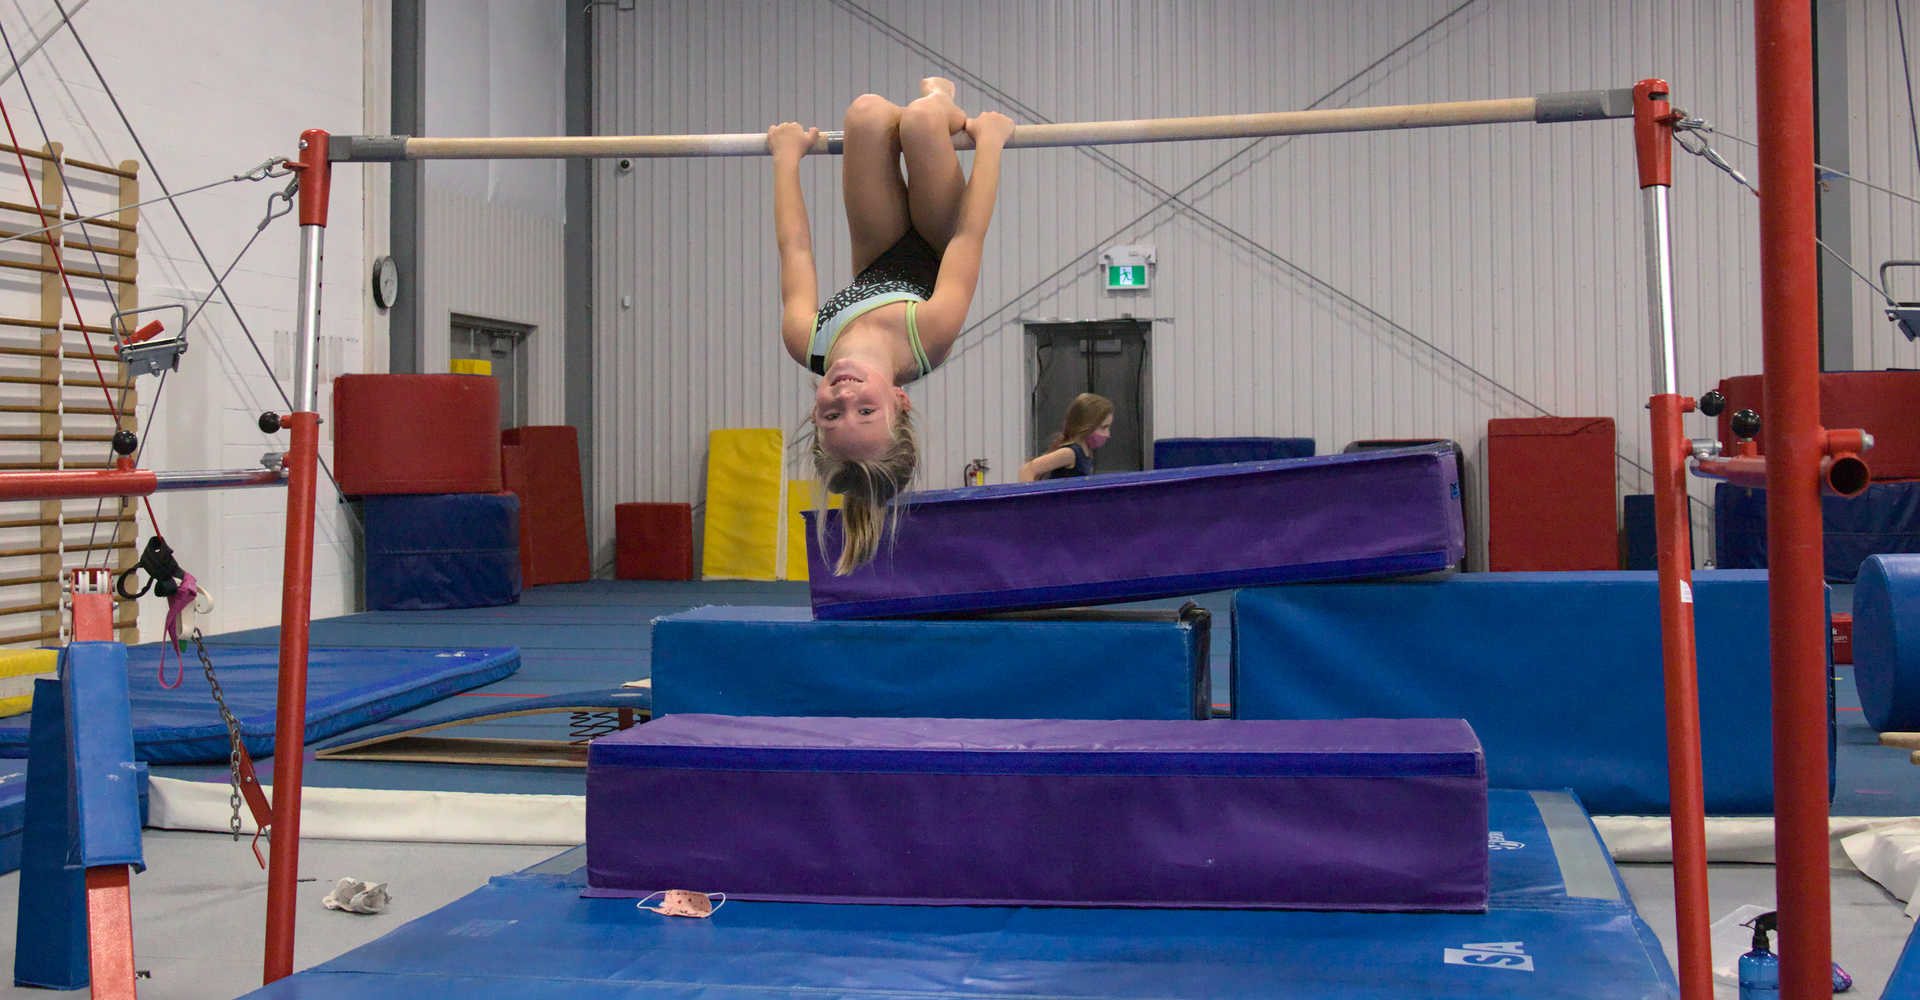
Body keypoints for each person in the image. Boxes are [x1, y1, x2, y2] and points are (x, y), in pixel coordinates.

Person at [768, 79, 1014, 575]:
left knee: (866, 114)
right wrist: (990, 143)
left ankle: (923, 105)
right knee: (923, 122)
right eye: (864, 409)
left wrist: (786, 158)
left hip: (879, 249)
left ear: (814, 420)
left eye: (832, 418)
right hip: (941, 237)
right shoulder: (927, 334)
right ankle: (939, 95)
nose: (842, 398)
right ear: (900, 401)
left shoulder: (809, 342)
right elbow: (970, 234)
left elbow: (794, 248)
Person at [1019, 393, 1114, 481]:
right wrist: (1031, 498)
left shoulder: (1086, 453)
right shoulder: (1070, 453)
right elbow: (1027, 470)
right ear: (1087, 425)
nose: (1108, 434)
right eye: (1104, 427)